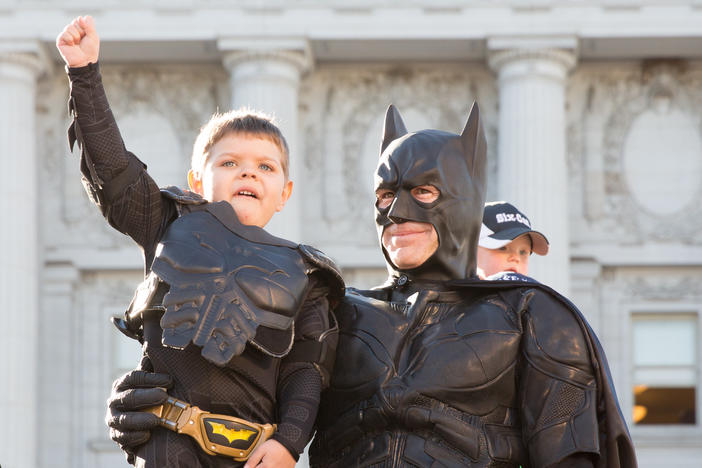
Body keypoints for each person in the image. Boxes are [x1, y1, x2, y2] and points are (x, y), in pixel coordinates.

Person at [104, 102, 637, 466]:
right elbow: (257, 393)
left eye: (423, 192)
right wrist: (161, 408)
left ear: (464, 198)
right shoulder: (338, 311)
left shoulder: (533, 316)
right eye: (386, 197)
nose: (397, 213)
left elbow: (571, 454)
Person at [57, 16, 343, 468]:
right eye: (230, 162)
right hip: (169, 445)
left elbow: (305, 371)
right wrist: (85, 74)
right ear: (197, 180)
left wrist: (289, 442)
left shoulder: (307, 276)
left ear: (285, 193)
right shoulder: (168, 224)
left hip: (254, 456)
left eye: (266, 167)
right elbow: (113, 172)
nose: (249, 172)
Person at [477, 201, 549, 279]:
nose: (516, 258)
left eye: (523, 252)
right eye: (502, 248)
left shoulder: (533, 290)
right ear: (469, 254)